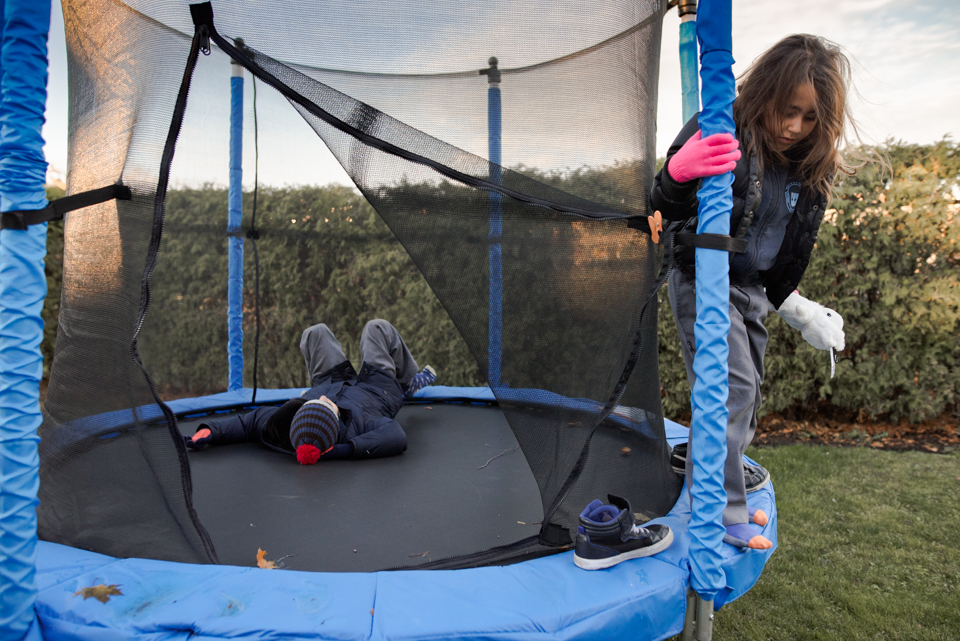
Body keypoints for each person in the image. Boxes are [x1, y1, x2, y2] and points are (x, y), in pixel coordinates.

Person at [651, 35, 871, 549]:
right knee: (730, 389)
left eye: (810, 118)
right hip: (705, 276)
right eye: (787, 111)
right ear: (765, 93)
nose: (794, 127)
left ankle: (704, 462)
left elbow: (788, 243)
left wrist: (792, 301)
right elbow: (660, 198)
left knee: (748, 395)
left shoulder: (806, 165)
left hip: (752, 291)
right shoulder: (723, 128)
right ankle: (722, 508)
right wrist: (679, 173)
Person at [185, 319, 437, 464]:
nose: (323, 400)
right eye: (327, 405)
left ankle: (331, 390)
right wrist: (346, 449)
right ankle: (408, 383)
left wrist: (211, 431)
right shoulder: (363, 424)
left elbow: (246, 422)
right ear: (336, 421)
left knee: (314, 333)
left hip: (331, 381)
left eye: (314, 402)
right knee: (377, 327)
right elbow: (396, 436)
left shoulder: (281, 424)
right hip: (377, 389)